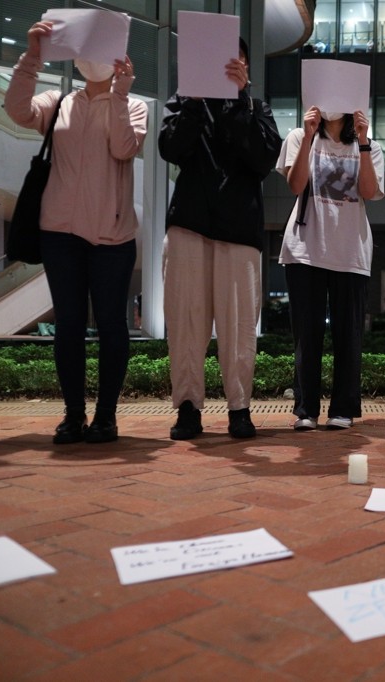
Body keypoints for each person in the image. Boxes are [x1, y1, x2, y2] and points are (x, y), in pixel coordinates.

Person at [4, 21, 147, 445]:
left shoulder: (133, 105)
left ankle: (106, 417)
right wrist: (32, 56)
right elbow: (16, 110)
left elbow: (124, 148)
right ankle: (72, 415)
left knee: (110, 325)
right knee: (67, 325)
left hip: (112, 237)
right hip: (60, 233)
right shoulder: (59, 101)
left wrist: (120, 93)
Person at [158, 37, 282, 440]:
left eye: (238, 61)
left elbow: (263, 159)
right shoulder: (183, 100)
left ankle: (239, 408)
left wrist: (240, 100)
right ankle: (189, 408)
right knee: (186, 321)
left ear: (246, 67)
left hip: (240, 229)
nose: (230, 67)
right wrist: (194, 101)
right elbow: (171, 148)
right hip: (189, 225)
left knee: (240, 324)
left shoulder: (256, 107)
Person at [277, 107, 384, 430]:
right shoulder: (299, 136)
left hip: (350, 251)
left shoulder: (370, 145)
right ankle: (305, 409)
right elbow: (295, 185)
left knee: (348, 336)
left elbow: (368, 192)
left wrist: (363, 142)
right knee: (306, 336)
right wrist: (309, 136)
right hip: (305, 249)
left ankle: (343, 408)